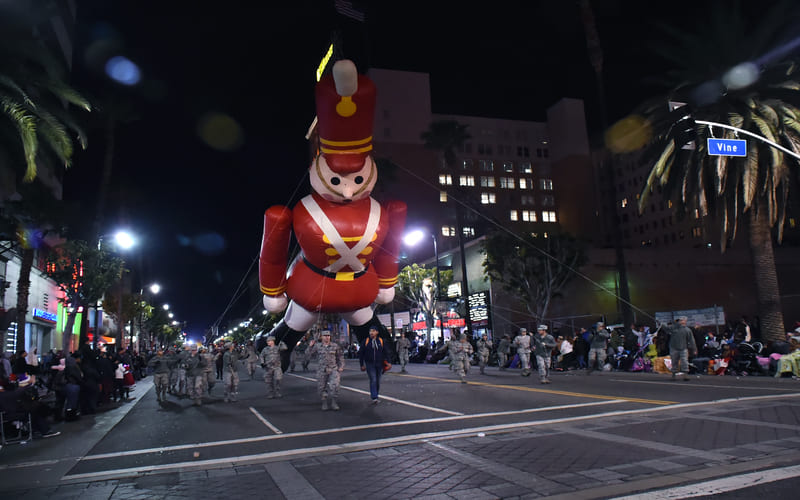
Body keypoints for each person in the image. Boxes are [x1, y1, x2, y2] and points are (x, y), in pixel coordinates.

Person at [308, 331, 345, 410]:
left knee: (335, 386)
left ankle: (334, 403)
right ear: (321, 337)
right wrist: (310, 347)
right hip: (321, 369)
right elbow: (308, 355)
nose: (327, 337)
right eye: (325, 336)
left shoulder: (335, 346)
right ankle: (324, 403)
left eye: (328, 335)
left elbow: (340, 357)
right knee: (321, 388)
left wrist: (341, 366)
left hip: (333, 369)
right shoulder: (317, 346)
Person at [359, 326, 388, 404]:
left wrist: (389, 362)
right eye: (370, 331)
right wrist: (362, 364)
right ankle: (374, 397)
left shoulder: (381, 341)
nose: (371, 332)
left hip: (379, 364)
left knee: (378, 381)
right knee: (373, 379)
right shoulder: (366, 341)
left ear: (377, 332)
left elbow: (386, 352)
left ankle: (376, 394)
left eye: (373, 331)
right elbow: (361, 353)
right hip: (369, 364)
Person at [667, 316, 697, 381]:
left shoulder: (687, 330)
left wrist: (694, 349)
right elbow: (666, 328)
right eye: (679, 320)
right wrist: (661, 324)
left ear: (685, 321)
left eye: (682, 320)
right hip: (673, 347)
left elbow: (691, 340)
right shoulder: (673, 328)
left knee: (684, 361)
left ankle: (685, 375)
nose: (680, 321)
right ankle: (673, 375)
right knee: (674, 361)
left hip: (683, 348)